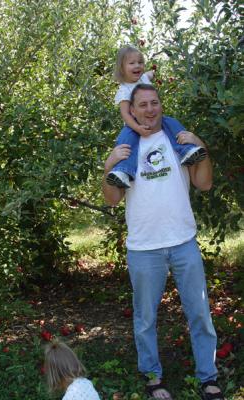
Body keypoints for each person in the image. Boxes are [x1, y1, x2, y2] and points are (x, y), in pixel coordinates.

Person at [103, 84, 224, 400]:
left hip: (183, 241)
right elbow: (113, 198)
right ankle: (153, 378)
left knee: (199, 312)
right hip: (144, 247)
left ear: (161, 106)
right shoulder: (126, 147)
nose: (149, 109)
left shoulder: (177, 139)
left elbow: (205, 183)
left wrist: (201, 146)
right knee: (145, 318)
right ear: (133, 109)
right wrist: (108, 166)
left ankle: (208, 378)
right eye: (142, 104)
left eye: (154, 103)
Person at [107, 46, 206, 189]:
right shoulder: (124, 90)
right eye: (132, 63)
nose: (137, 66)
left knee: (172, 123)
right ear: (122, 68)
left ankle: (187, 151)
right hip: (132, 126)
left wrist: (154, 72)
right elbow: (125, 114)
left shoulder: (143, 78)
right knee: (126, 144)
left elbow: (149, 74)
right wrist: (137, 128)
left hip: (153, 120)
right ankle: (122, 171)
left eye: (140, 62)